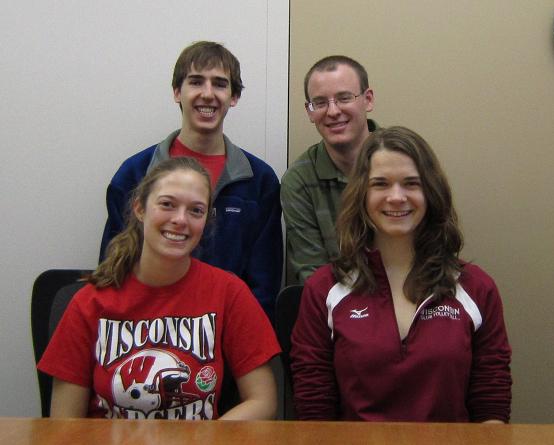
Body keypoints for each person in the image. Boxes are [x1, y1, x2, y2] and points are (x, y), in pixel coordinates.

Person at [290, 126, 512, 422]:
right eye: (380, 184)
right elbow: (314, 413)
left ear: (431, 192)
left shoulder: (476, 288)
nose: (396, 197)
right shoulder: (324, 289)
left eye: (411, 183)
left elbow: (491, 410)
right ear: (361, 195)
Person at [39, 158, 280, 420]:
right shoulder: (89, 302)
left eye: (196, 211)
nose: (180, 220)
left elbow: (263, 401)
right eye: (167, 204)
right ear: (140, 208)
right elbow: (64, 424)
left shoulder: (229, 292)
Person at [100, 41, 282, 319]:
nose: (208, 94)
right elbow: (113, 270)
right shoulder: (136, 173)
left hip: (229, 336)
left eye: (220, 84)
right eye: (196, 82)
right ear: (177, 92)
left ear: (234, 97)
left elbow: (264, 287)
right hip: (146, 330)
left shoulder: (260, 181)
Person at [281, 55, 378, 284]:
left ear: (368, 99)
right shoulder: (298, 181)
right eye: (321, 102)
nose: (333, 111)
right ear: (309, 111)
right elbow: (315, 279)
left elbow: (429, 249)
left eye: (344, 98)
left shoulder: (406, 161)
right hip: (339, 311)